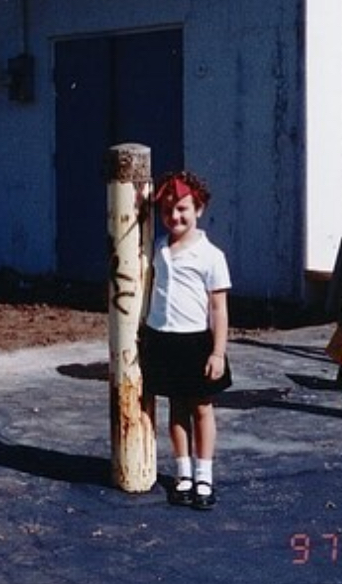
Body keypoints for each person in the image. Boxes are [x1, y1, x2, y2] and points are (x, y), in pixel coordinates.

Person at [139, 170, 232, 510]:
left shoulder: (211, 256)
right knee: (175, 408)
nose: (174, 217)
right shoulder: (159, 247)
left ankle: (204, 475)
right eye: (167, 210)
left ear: (199, 209)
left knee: (201, 408)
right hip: (164, 339)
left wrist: (218, 353)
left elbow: (219, 309)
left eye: (182, 209)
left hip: (196, 342)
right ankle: (183, 472)